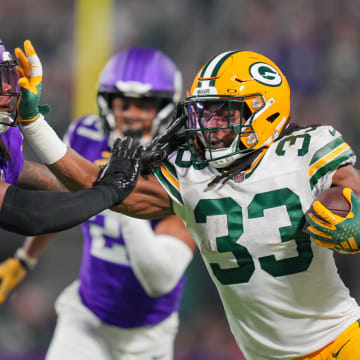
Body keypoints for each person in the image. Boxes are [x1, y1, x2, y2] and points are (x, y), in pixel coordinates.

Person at [19, 47, 360, 359]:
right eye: (203, 112)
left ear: (264, 111)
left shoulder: (306, 150)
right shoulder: (189, 172)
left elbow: (350, 187)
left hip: (341, 342)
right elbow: (97, 184)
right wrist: (33, 124)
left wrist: (353, 213)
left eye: (220, 113)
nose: (207, 125)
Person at [0, 46, 195, 360]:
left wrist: (115, 195)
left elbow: (159, 278)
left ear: (165, 107)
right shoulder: (86, 134)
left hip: (149, 332)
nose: (130, 114)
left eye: (143, 105)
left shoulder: (182, 161)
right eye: (122, 102)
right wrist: (26, 258)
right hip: (86, 317)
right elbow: (59, 198)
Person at [0, 40, 141, 237]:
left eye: (5, 76)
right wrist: (109, 191)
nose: (7, 87)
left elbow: (28, 174)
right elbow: (29, 215)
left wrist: (105, 178)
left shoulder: (6, 139)